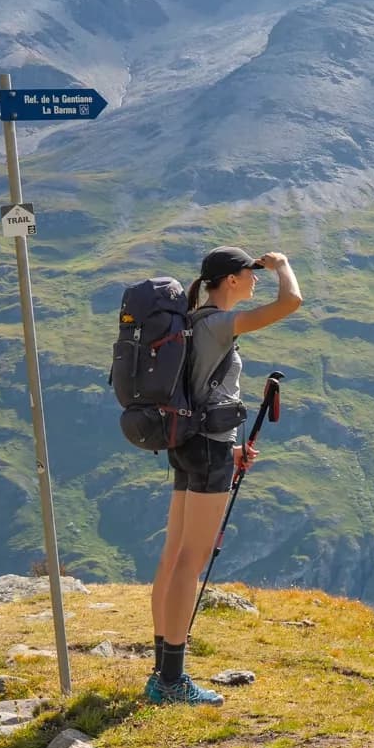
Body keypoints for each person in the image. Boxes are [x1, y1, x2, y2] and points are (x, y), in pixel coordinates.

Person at [146, 245, 302, 704]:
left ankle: (161, 669)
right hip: (207, 452)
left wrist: (230, 448)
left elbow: (197, 392)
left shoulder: (193, 324)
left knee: (173, 555)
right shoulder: (217, 323)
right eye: (250, 273)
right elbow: (290, 303)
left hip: (190, 446)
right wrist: (282, 265)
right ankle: (172, 681)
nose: (255, 280)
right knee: (190, 561)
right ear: (230, 280)